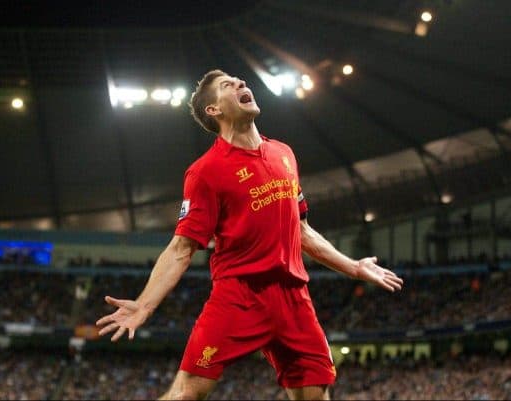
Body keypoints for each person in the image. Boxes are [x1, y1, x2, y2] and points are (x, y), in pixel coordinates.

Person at [96, 70, 403, 400]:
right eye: (228, 85)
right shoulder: (205, 172)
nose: (241, 84)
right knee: (188, 393)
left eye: (240, 81)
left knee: (315, 395)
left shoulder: (283, 153)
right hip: (239, 295)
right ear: (214, 110)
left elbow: (302, 231)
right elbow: (181, 248)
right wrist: (144, 305)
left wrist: (354, 267)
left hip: (293, 297)